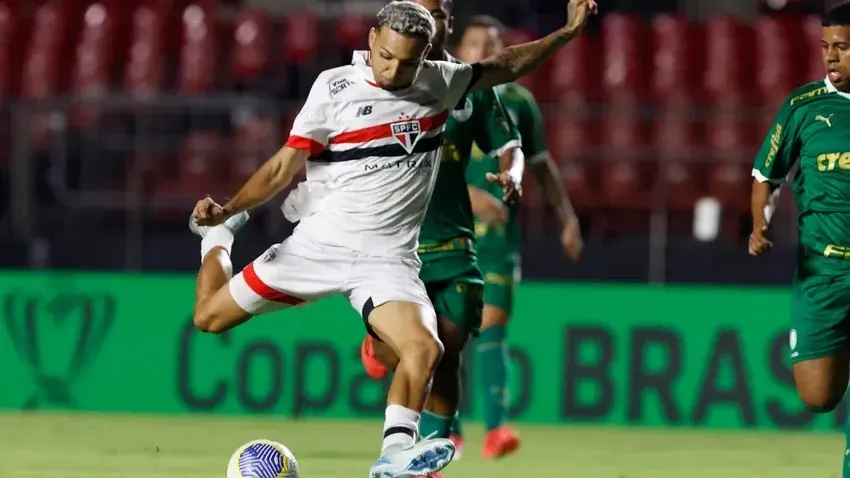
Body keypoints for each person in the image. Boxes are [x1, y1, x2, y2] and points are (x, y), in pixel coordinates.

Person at [188, 0, 597, 476]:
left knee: (426, 349)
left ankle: (394, 452)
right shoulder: (334, 87)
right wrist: (230, 209)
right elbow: (283, 166)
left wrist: (566, 33)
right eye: (385, 56)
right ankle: (216, 238)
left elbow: (506, 64)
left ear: (426, 56)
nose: (393, 69)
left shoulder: (438, 82)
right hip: (318, 248)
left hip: (386, 260)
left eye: (407, 62)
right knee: (208, 317)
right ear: (371, 40)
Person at [357, 0, 526, 469]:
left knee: (446, 351)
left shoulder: (469, 85)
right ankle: (379, 347)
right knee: (406, 353)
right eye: (421, 12)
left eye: (439, 13)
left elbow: (509, 144)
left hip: (452, 246)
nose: (431, 23)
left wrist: (514, 172)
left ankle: (427, 459)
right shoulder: (372, 80)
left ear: (448, 21)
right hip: (391, 249)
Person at [452, 14, 583, 459]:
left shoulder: (519, 102)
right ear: (459, 49)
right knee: (445, 331)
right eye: (474, 44)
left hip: (498, 242)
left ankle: (495, 429)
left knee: (492, 329)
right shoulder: (446, 94)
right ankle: (446, 427)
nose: (483, 51)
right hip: (449, 235)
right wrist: (468, 195)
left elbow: (540, 163)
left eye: (491, 44)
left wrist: (568, 218)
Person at [749, 4, 850, 477]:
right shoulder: (803, 106)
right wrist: (759, 223)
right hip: (821, 271)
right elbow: (765, 177)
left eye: (843, 47)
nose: (831, 57)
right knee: (818, 396)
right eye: (826, 47)